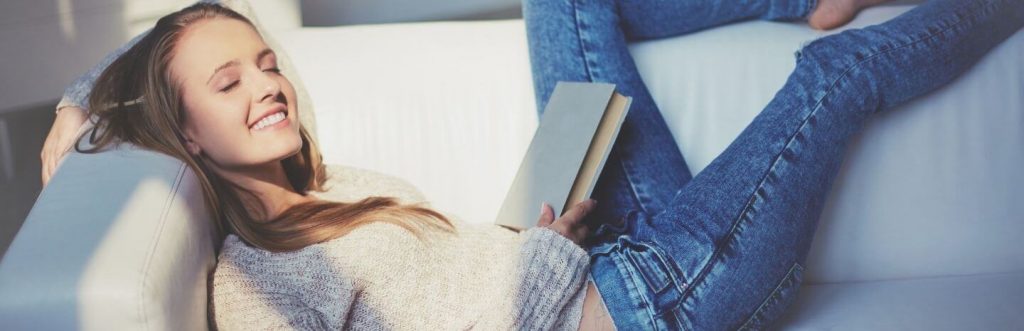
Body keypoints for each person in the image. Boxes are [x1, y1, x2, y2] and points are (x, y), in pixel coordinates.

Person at [38, 0, 1022, 330]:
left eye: (264, 60)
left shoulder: (327, 193)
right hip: (648, 304)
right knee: (831, 79)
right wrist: (84, 115)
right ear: (186, 131)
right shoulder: (251, 281)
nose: (266, 81)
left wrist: (532, 240)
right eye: (227, 81)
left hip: (593, 254)